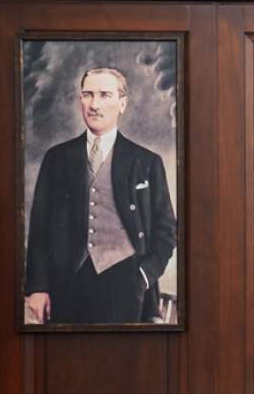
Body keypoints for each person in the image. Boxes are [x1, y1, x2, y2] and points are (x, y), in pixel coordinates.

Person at [24, 67, 176, 324]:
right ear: (80, 100)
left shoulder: (147, 162)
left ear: (122, 103)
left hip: (127, 283)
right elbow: (40, 228)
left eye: (105, 95)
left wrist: (144, 275)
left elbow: (167, 230)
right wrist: (38, 287)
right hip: (67, 283)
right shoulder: (57, 158)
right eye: (88, 95)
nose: (94, 104)